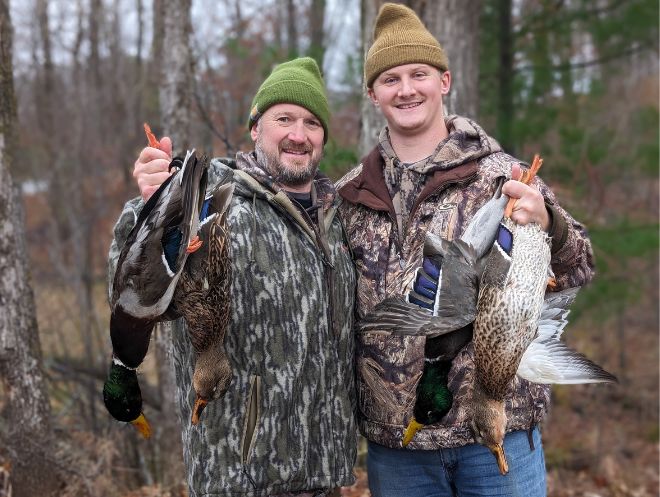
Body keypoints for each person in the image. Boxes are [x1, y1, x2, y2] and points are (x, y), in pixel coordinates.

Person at [335, 4, 595, 497]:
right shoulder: (350, 196)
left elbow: (581, 266)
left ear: (445, 81)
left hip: (500, 438)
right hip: (398, 451)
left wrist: (550, 225)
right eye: (390, 79)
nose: (406, 88)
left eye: (419, 74)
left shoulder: (505, 177)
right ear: (373, 94)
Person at [107, 57, 357, 497]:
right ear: (255, 128)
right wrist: (149, 204)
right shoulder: (211, 199)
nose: (299, 134)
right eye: (284, 119)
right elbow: (131, 288)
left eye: (312, 123)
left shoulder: (336, 220)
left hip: (324, 472)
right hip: (240, 475)